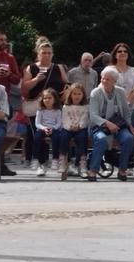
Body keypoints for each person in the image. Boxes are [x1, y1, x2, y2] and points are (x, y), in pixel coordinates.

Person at [21, 39, 67, 171]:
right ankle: (39, 163)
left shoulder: (58, 67)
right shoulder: (32, 68)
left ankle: (54, 161)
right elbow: (24, 89)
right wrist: (36, 80)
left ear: (52, 54)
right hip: (37, 107)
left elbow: (67, 84)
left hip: (55, 108)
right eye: (44, 53)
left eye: (49, 53)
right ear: (38, 54)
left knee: (56, 133)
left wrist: (66, 92)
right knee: (37, 134)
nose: (46, 55)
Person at [87, 68, 134, 182]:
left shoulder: (120, 92)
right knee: (101, 139)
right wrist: (107, 123)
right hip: (99, 126)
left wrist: (130, 126)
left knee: (129, 138)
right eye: (103, 78)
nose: (104, 81)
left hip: (118, 124)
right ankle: (93, 170)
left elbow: (126, 112)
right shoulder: (96, 92)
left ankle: (122, 170)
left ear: (114, 81)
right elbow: (93, 115)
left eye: (108, 79)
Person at [33, 88, 68, 178]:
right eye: (45, 98)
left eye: (50, 98)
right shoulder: (40, 111)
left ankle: (55, 158)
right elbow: (37, 123)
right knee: (37, 138)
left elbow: (59, 123)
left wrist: (53, 128)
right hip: (42, 129)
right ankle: (38, 161)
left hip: (54, 129)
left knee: (57, 138)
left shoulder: (58, 111)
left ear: (55, 99)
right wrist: (44, 128)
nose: (47, 100)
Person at [61, 82, 90, 178]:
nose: (77, 96)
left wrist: (80, 126)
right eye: (74, 94)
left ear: (83, 95)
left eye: (79, 94)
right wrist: (70, 126)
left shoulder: (85, 106)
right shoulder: (66, 107)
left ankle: (82, 164)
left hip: (80, 128)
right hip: (68, 128)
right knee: (64, 137)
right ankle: (64, 161)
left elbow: (85, 118)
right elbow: (65, 119)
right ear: (70, 94)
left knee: (82, 138)